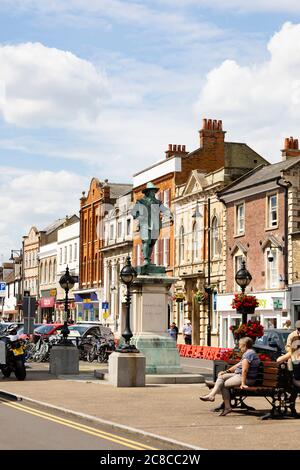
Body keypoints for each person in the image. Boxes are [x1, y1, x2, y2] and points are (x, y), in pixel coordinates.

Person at [199, 336, 260, 416]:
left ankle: (226, 406)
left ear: (245, 345)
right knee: (221, 377)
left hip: (245, 378)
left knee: (224, 385)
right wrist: (226, 372)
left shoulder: (248, 354)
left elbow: (245, 370)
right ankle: (212, 395)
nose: (239, 347)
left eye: (240, 345)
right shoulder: (249, 353)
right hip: (239, 375)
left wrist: (243, 383)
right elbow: (238, 365)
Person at [132, 182, 173, 266]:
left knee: (152, 242)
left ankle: (148, 258)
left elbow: (164, 209)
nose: (153, 193)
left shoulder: (157, 202)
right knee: (146, 240)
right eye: (152, 191)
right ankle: (146, 259)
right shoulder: (141, 202)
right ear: (148, 192)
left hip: (155, 224)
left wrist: (170, 215)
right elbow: (134, 212)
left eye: (154, 191)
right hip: (145, 224)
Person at [277, 320, 300, 387]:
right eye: (298, 328)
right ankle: (293, 378)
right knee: (282, 360)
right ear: (296, 328)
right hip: (293, 353)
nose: (299, 330)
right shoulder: (292, 335)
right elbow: (287, 346)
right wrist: (293, 350)